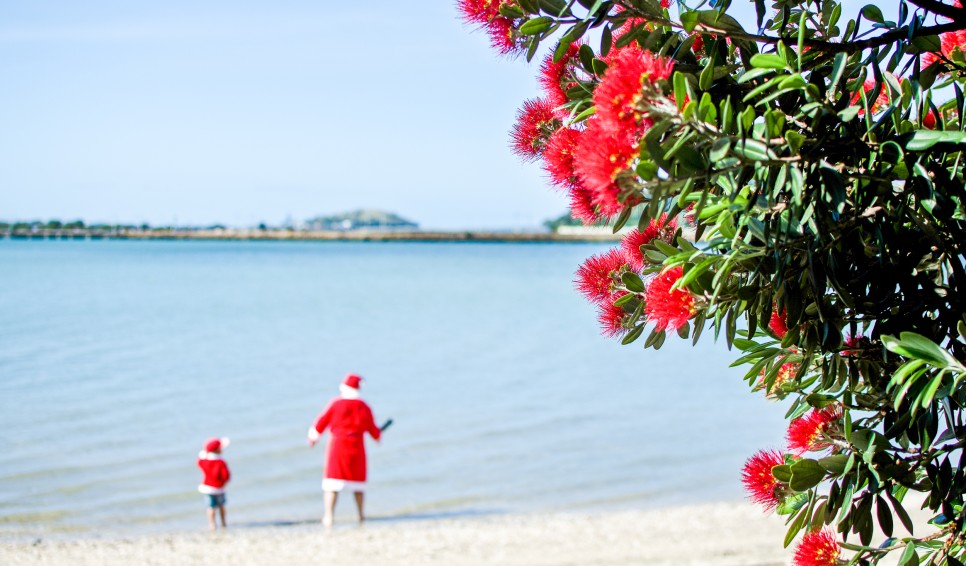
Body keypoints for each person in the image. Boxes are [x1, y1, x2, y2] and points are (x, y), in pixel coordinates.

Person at [307, 374, 382, 526]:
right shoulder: (363, 406)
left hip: (338, 446)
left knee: (333, 483)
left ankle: (328, 516)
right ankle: (361, 515)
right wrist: (377, 436)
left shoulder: (336, 404)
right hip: (357, 447)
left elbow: (321, 421)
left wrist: (313, 438)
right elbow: (373, 429)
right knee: (358, 483)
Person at [197, 437, 231, 530]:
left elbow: (199, 462)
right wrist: (224, 482)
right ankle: (223, 523)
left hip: (207, 487)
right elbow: (226, 475)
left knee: (210, 507)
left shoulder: (204, 461)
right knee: (221, 505)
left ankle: (212, 524)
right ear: (218, 450)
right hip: (219, 488)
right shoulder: (220, 462)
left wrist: (204, 453)